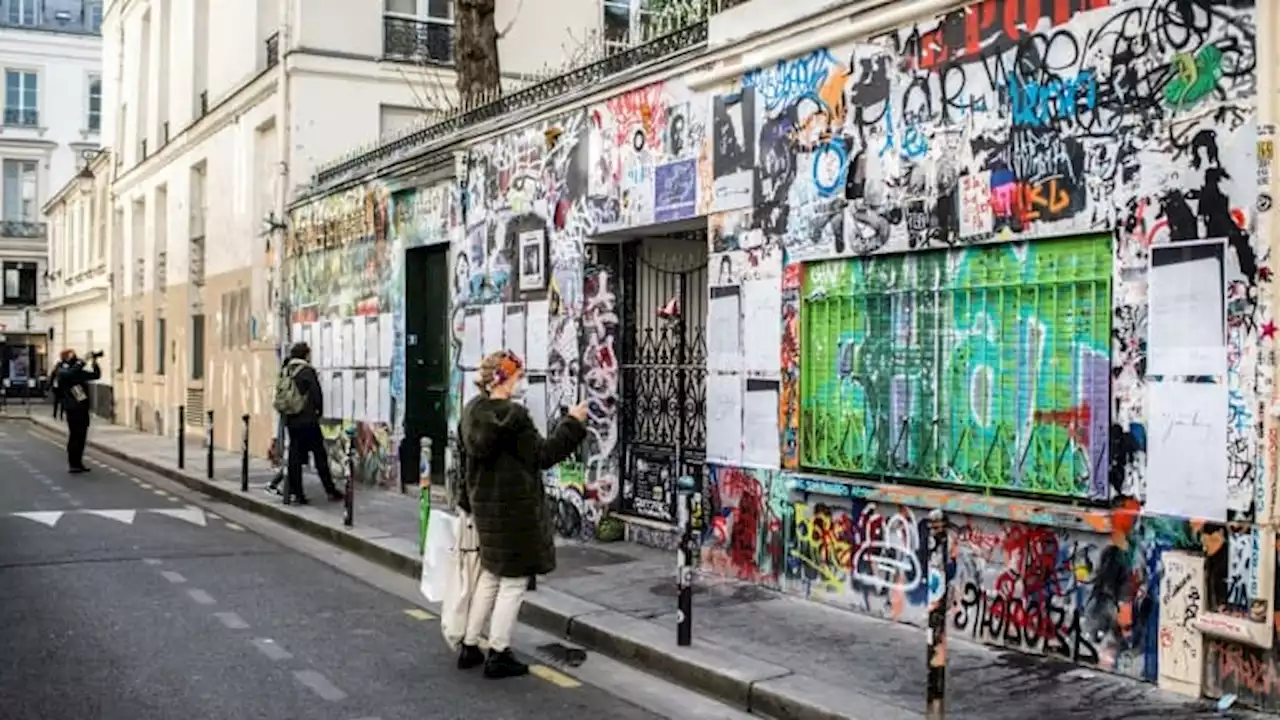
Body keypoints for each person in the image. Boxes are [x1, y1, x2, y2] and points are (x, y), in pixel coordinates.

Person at [455, 349, 588, 678]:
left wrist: (466, 503)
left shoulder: (471, 412)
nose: (520, 382)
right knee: (513, 582)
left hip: (486, 509)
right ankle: (498, 653)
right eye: (517, 377)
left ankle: (470, 644)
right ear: (504, 379)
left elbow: (465, 465)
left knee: (490, 574)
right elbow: (544, 455)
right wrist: (573, 423)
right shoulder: (514, 418)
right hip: (515, 512)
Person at [279, 342, 343, 505]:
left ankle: (297, 492)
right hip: (307, 420)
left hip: (290, 419)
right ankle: (330, 490)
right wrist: (318, 412)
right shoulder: (307, 371)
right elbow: (316, 395)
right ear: (306, 355)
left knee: (295, 455)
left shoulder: (286, 369)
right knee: (319, 454)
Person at [56, 349, 101, 473]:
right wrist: (82, 361)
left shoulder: (78, 372)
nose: (75, 357)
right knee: (74, 435)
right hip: (72, 408)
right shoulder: (62, 370)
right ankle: (72, 463)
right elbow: (70, 374)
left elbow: (95, 375)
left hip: (82, 407)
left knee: (82, 436)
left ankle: (79, 462)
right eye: (72, 356)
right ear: (66, 358)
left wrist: (95, 362)